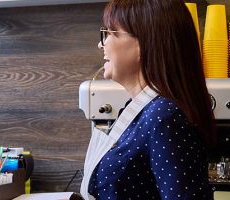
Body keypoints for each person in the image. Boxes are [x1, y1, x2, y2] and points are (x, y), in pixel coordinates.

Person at [80, 0, 216, 199]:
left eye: (110, 33)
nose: (101, 44)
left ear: (144, 44)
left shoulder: (163, 116)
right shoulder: (138, 108)